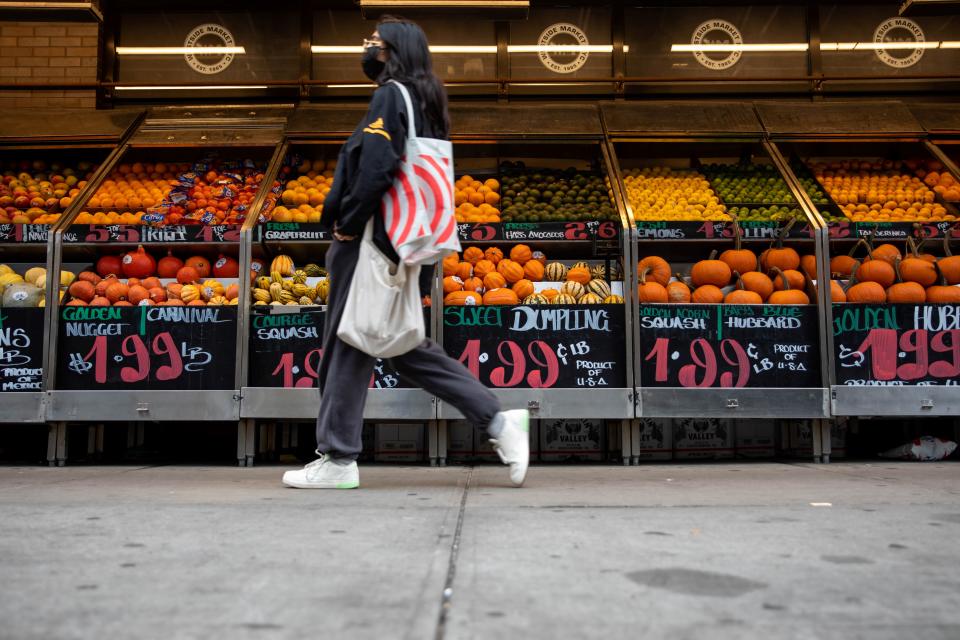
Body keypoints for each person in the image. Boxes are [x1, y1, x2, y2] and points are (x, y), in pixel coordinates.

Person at [282, 17, 529, 490]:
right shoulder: (428, 101)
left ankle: (337, 458)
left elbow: (376, 168)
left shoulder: (391, 95)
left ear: (394, 50)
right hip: (412, 243)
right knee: (403, 346)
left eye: (374, 42)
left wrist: (347, 224)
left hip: (375, 242)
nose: (367, 48)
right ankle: (498, 422)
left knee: (347, 341)